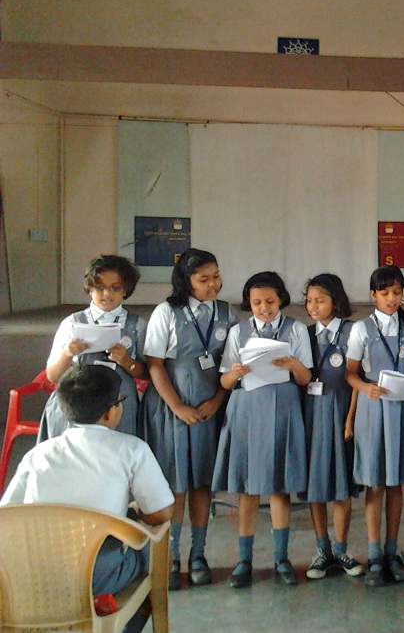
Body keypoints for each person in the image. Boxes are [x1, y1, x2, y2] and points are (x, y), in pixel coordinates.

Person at [2, 365, 174, 633]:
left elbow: (8, 514)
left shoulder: (38, 454)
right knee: (154, 554)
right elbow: (162, 513)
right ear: (110, 412)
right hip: (96, 575)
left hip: (32, 575)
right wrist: (133, 514)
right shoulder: (131, 449)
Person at [142, 248, 235, 591]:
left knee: (201, 484)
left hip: (210, 408)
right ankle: (171, 557)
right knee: (176, 484)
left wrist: (217, 400)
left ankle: (198, 554)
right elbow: (154, 364)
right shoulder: (167, 312)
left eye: (216, 276)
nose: (213, 284)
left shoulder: (227, 312)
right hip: (173, 408)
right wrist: (178, 407)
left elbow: (230, 364)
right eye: (204, 279)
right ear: (186, 280)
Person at [214, 271, 312, 589]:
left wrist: (294, 365)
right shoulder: (238, 332)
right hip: (247, 407)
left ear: (281, 299)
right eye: (256, 302)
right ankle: (244, 560)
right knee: (248, 487)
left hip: (282, 406)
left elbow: (305, 378)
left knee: (279, 486)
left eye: (270, 301)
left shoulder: (295, 329)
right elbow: (226, 381)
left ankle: (282, 558)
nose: (264, 308)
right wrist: (236, 372)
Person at [346, 265, 404, 588]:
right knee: (375, 483)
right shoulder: (361, 329)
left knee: (396, 484)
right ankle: (374, 553)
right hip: (373, 408)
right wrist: (366, 388)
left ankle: (393, 551)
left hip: (402, 409)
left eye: (396, 292)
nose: (392, 299)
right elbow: (350, 373)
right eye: (385, 293)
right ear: (373, 295)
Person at [39, 254, 147, 441]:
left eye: (115, 288)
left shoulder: (137, 325)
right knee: (72, 455)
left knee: (117, 456)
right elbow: (53, 376)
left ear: (125, 290)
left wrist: (127, 362)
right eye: (100, 287)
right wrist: (68, 353)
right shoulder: (72, 323)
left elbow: (146, 373)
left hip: (118, 402)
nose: (107, 294)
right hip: (77, 400)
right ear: (89, 288)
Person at [301, 273, 363, 580]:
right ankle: (322, 550)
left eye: (320, 300)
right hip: (312, 412)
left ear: (335, 302)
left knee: (340, 483)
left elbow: (357, 379)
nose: (313, 307)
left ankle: (341, 549)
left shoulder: (353, 332)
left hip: (341, 411)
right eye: (309, 301)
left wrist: (351, 418)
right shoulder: (304, 334)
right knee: (316, 485)